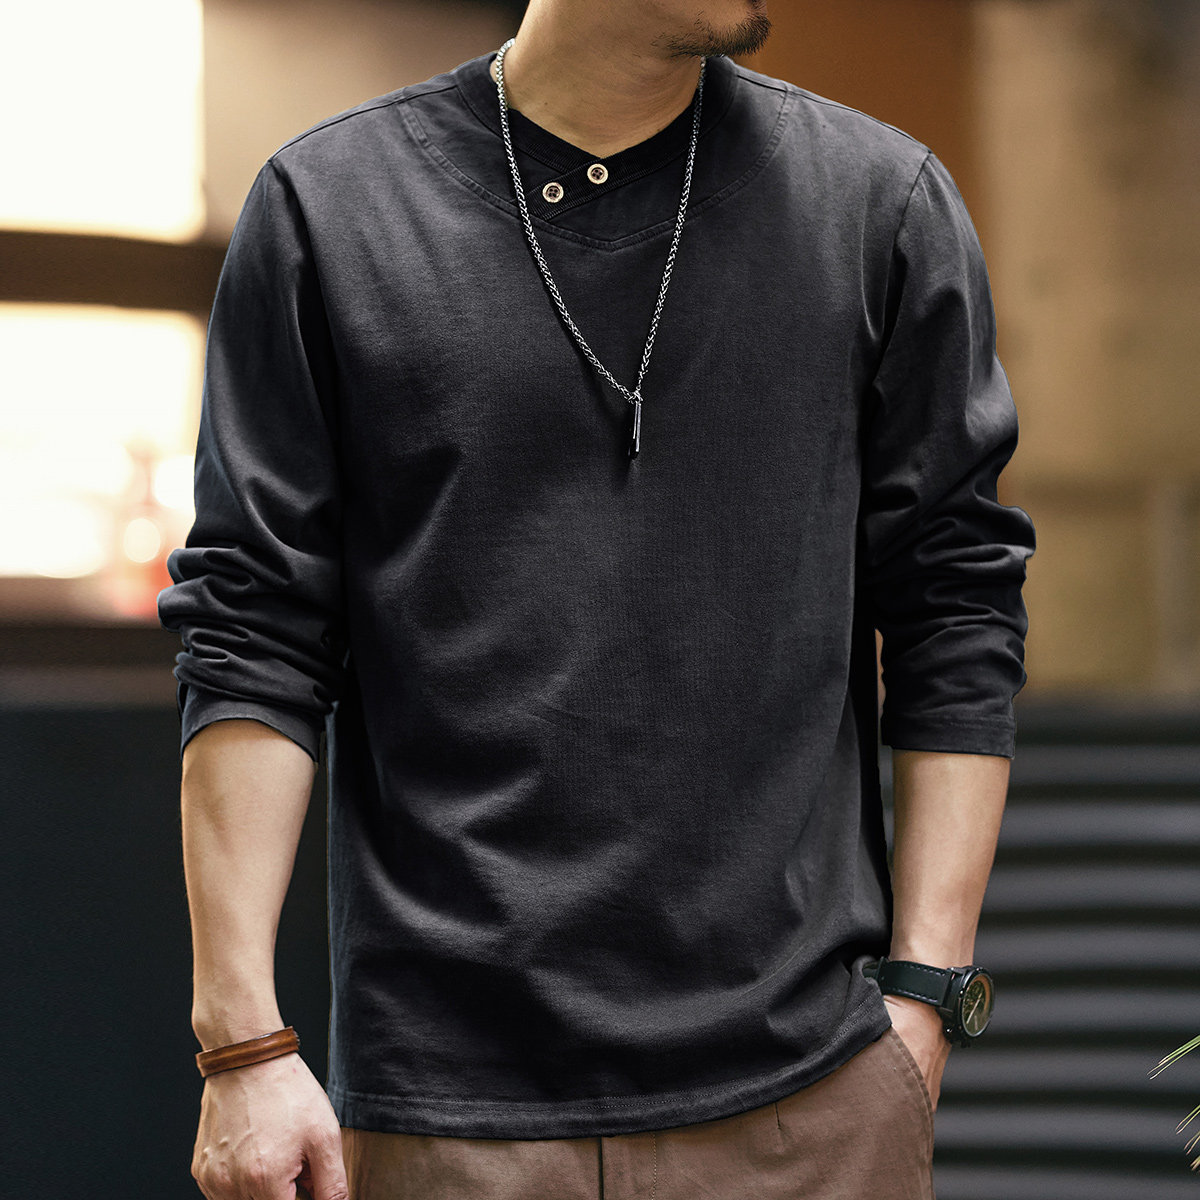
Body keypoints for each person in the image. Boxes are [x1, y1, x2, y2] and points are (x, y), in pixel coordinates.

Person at [158, 0, 1036, 1196]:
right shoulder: (332, 206)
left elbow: (957, 607)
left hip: (811, 1102)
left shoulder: (881, 205)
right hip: (451, 1111)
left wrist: (926, 995)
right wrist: (243, 1047)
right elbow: (254, 631)